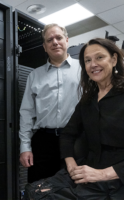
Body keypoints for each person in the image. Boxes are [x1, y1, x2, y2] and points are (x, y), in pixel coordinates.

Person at [24, 38, 124, 200]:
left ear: (114, 60)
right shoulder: (87, 101)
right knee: (34, 193)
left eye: (99, 57)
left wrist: (102, 174)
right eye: (87, 60)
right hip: (90, 167)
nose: (93, 64)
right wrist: (71, 165)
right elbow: (67, 135)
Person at [19, 23, 81, 183]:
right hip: (43, 143)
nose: (55, 42)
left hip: (76, 140)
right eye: (49, 40)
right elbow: (26, 113)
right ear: (44, 47)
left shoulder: (84, 70)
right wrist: (25, 147)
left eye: (59, 37)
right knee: (40, 189)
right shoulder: (34, 75)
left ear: (67, 41)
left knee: (75, 189)